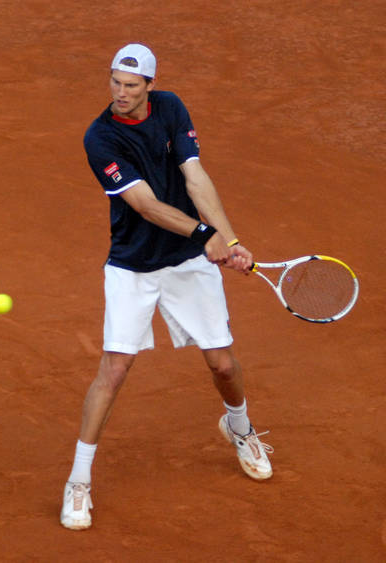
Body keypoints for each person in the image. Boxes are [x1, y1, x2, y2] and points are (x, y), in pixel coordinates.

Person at [61, 43, 273, 531]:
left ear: (150, 87)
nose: (120, 93)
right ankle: (78, 481)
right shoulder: (100, 138)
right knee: (114, 370)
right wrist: (206, 236)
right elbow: (146, 205)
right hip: (132, 267)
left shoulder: (172, 108)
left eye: (131, 86)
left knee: (221, 362)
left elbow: (194, 178)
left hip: (185, 262)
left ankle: (239, 428)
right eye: (114, 82)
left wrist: (231, 238)